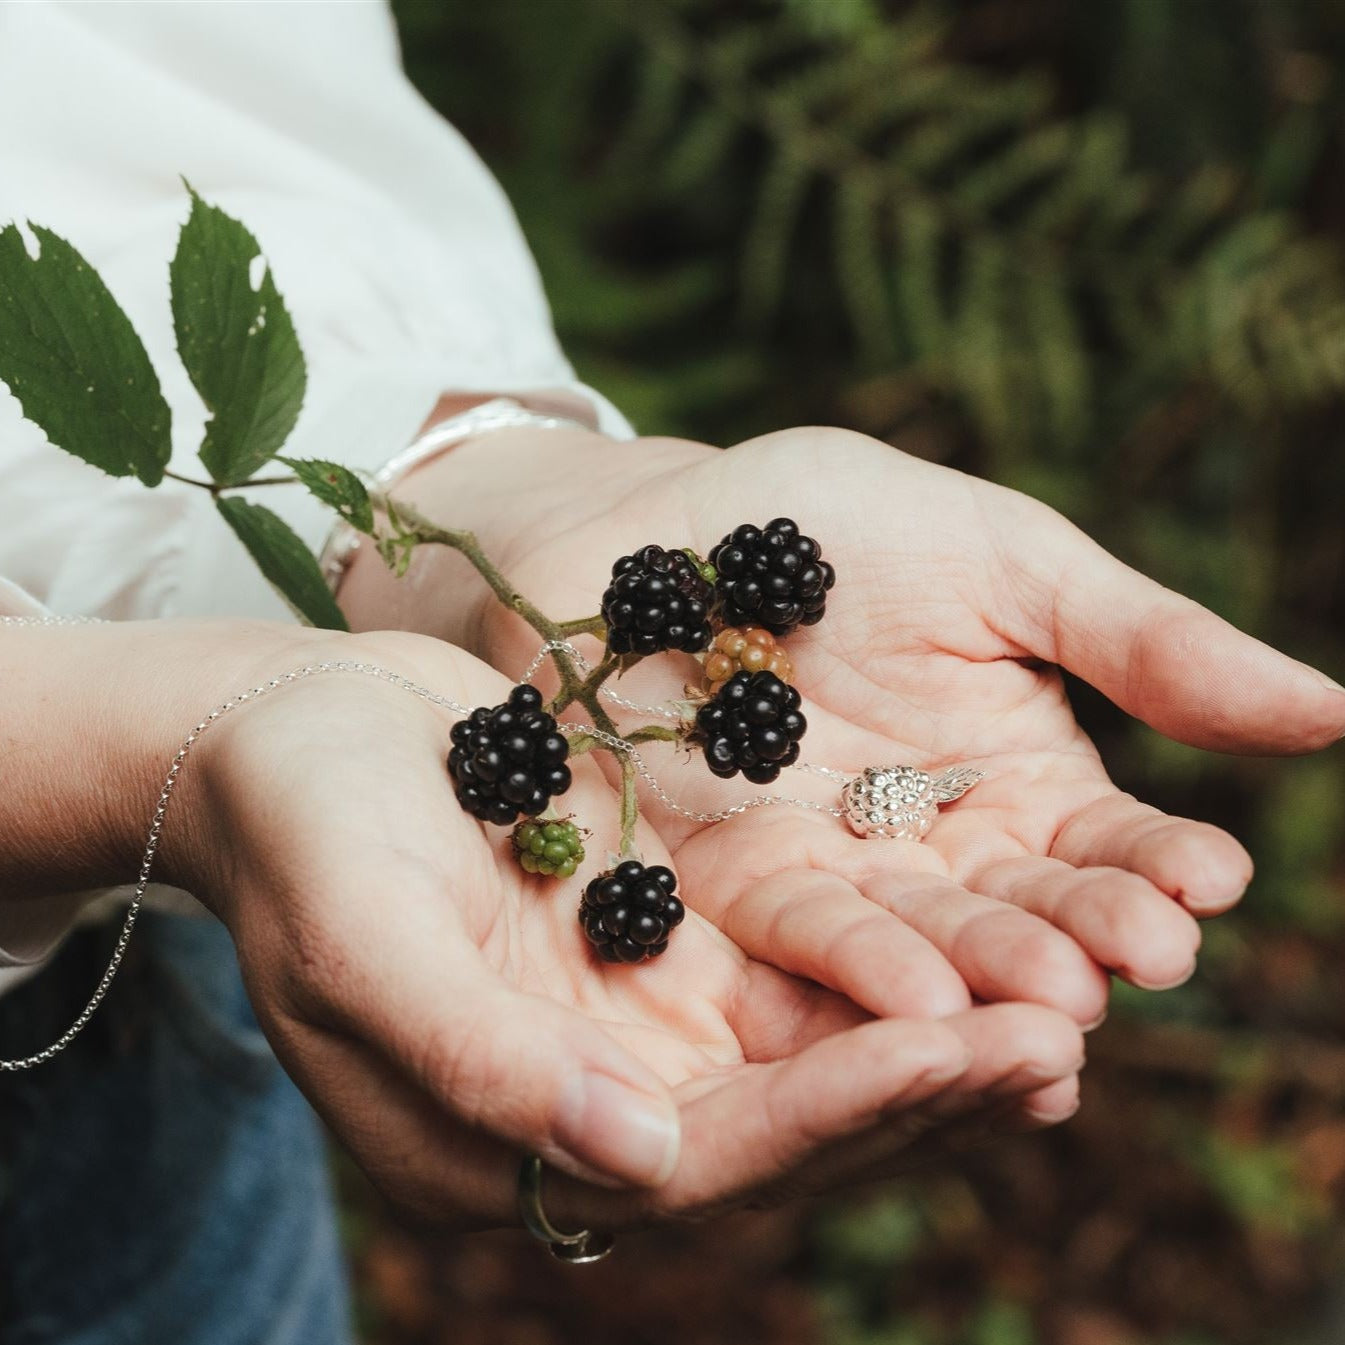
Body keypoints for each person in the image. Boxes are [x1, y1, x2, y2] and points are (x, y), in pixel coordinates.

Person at [1, 5, 1341, 1343]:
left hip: (131, 1060)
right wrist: (141, 742)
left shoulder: (644, 686)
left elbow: (151, 82)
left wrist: (498, 493)